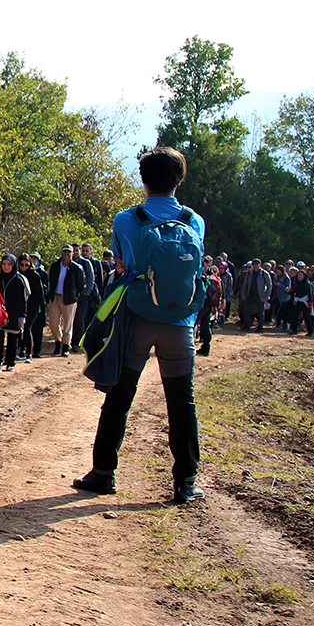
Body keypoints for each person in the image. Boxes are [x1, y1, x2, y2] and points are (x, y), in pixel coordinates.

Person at [73, 147, 207, 505]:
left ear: (143, 180)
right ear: (179, 179)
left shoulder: (126, 219)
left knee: (120, 396)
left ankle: (103, 473)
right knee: (182, 401)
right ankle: (186, 482)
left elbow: (120, 263)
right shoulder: (195, 221)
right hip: (179, 321)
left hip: (136, 318)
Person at [46, 246, 86, 357]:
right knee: (53, 323)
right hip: (55, 297)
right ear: (61, 252)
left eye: (69, 251)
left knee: (68, 324)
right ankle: (58, 342)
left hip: (69, 299)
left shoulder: (77, 268)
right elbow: (50, 281)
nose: (66, 253)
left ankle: (66, 346)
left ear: (72, 254)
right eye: (64, 251)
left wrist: (75, 295)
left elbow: (82, 284)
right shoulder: (55, 266)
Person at [0, 256, 32, 372]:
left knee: (13, 339)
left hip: (15, 313)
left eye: (9, 264)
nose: (6, 267)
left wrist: (22, 316)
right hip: (0, 313)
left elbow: (22, 300)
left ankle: (11, 361)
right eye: (4, 264)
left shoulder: (18, 280)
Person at [19, 254, 47, 362]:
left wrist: (34, 306)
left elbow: (40, 294)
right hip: (21, 306)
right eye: (22, 265)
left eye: (27, 265)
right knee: (20, 330)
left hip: (33, 308)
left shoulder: (35, 276)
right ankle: (21, 351)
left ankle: (29, 353)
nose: (24, 267)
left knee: (27, 328)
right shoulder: (18, 275)